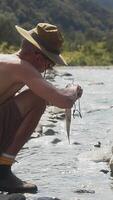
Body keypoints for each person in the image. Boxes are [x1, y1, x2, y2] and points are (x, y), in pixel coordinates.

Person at [0, 22, 83, 193]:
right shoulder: (23, 68)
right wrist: (73, 91)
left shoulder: (6, 60)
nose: (48, 68)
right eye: (50, 63)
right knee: (38, 98)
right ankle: (3, 170)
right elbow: (63, 101)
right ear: (38, 57)